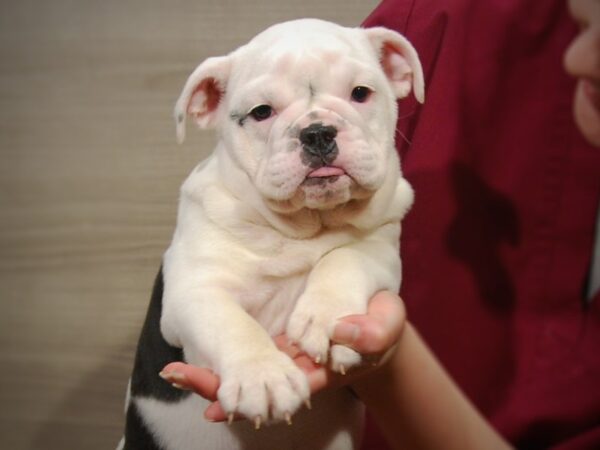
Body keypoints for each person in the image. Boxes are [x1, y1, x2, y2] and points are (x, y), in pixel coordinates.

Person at [159, 0, 600, 448]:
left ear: (399, 75)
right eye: (262, 111)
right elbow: (186, 304)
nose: (318, 133)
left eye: (359, 94)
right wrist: (247, 357)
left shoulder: (379, 205)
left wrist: (348, 278)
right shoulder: (216, 211)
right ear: (206, 104)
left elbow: (375, 259)